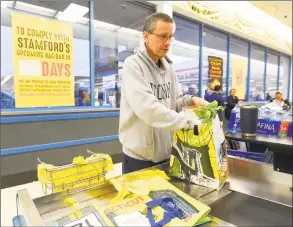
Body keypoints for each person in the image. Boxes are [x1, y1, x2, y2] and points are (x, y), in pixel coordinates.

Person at [119, 13, 208, 174]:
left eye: (170, 37)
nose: (167, 43)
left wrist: (192, 100)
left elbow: (175, 101)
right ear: (146, 36)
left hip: (167, 153)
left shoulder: (169, 69)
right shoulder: (133, 65)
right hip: (138, 159)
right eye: (162, 36)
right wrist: (189, 122)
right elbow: (148, 108)